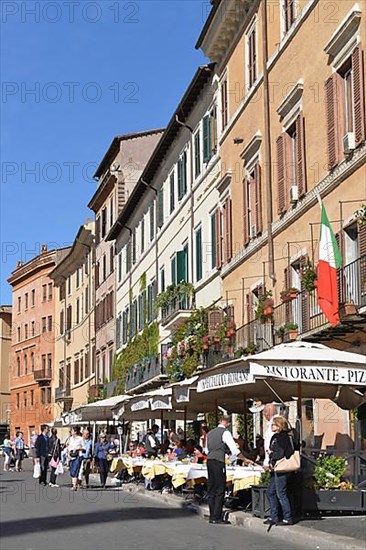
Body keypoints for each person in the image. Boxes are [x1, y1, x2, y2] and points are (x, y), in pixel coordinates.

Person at [206, 416, 243, 525]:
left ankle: (212, 514)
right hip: (218, 461)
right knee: (220, 488)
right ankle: (216, 516)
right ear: (226, 422)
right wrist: (244, 458)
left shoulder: (210, 433)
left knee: (212, 488)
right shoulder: (225, 433)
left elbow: (207, 449)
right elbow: (234, 449)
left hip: (209, 460)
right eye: (229, 423)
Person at [265, 416, 295, 527]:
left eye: (273, 424)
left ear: (279, 426)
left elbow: (282, 452)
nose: (271, 426)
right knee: (270, 492)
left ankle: (287, 517)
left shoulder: (281, 437)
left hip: (281, 467)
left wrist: (272, 454)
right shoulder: (278, 436)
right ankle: (274, 516)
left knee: (281, 493)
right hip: (276, 467)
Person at [263, 403, 280, 468]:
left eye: (264, 412)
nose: (264, 414)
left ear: (267, 413)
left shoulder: (273, 424)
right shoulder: (282, 421)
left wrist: (267, 461)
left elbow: (269, 443)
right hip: (282, 460)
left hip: (275, 462)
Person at [68, 426, 85, 491]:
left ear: (75, 432)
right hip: (71, 456)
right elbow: (69, 447)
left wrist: (78, 449)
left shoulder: (80, 439)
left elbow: (84, 448)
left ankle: (74, 485)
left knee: (75, 470)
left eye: (72, 431)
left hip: (78, 456)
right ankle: (76, 483)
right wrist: (68, 455)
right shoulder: (70, 438)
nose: (71, 432)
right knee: (72, 471)